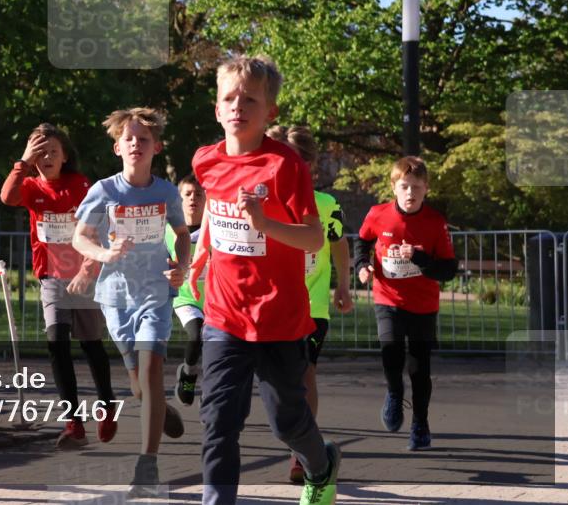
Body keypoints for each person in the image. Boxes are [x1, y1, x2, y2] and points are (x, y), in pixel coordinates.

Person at [188, 55, 340, 505]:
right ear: (217, 109)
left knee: (286, 422)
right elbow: (217, 215)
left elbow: (314, 238)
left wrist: (264, 224)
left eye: (249, 99)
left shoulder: (285, 166)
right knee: (218, 422)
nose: (238, 107)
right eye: (229, 99)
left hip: (279, 317)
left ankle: (321, 463)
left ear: (269, 111)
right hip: (224, 315)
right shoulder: (205, 161)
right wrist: (199, 257)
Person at [72, 107, 190, 497]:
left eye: (143, 139)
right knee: (139, 385)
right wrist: (104, 255)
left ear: (156, 146)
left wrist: (182, 267)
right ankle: (161, 410)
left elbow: (182, 233)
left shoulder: (166, 192)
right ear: (117, 146)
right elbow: (81, 237)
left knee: (153, 368)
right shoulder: (104, 191)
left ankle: (147, 464)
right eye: (129, 139)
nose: (136, 145)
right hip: (116, 297)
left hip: (155, 293)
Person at [0, 123, 117, 449]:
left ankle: (107, 407)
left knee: (92, 345)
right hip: (51, 278)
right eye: (40, 151)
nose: (47, 156)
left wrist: (88, 268)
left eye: (53, 150)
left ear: (65, 156)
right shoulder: (32, 186)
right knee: (57, 343)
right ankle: (73, 422)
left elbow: (97, 230)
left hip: (84, 275)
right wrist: (22, 162)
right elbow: (7, 197)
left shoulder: (79, 185)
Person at [267, 125, 352, 482]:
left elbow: (339, 243)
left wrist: (343, 284)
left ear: (309, 167)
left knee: (305, 374)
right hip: (270, 305)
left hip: (311, 307)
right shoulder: (263, 202)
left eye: (295, 162)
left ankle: (301, 454)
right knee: (276, 383)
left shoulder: (326, 205)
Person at [354, 156, 457, 451]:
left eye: (416, 187)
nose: (410, 193)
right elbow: (362, 242)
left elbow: (448, 270)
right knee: (391, 353)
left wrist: (419, 258)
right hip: (387, 298)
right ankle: (394, 393)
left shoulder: (435, 223)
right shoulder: (378, 215)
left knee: (419, 369)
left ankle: (420, 424)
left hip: (423, 305)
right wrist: (362, 266)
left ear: (426, 189)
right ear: (393, 187)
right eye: (404, 186)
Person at [164, 175, 206, 406]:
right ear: (179, 200)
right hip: (185, 298)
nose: (193, 199)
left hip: (215, 299)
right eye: (188, 194)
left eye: (199, 194)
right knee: (197, 333)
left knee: (215, 348)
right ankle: (189, 375)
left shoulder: (215, 230)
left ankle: (211, 398)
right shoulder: (168, 231)